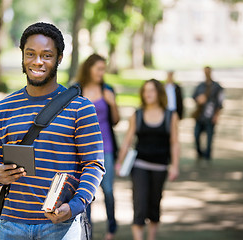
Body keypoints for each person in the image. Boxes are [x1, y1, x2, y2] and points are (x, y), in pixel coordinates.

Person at [0, 22, 105, 240]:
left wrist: (76, 205)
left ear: (59, 58)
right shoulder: (2, 109)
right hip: (11, 225)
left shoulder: (81, 108)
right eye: (30, 54)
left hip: (61, 226)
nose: (37, 61)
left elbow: (94, 164)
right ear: (22, 56)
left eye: (46, 55)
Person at [115, 79, 180, 240]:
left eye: (151, 90)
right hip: (139, 165)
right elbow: (128, 140)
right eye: (145, 91)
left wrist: (175, 165)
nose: (148, 94)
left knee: (154, 205)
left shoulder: (170, 115)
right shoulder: (137, 114)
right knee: (140, 205)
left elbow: (175, 142)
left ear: (159, 93)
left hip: (160, 167)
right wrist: (119, 162)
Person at [75, 53, 120, 240]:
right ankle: (88, 231)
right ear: (89, 68)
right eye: (99, 69)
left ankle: (111, 228)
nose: (102, 73)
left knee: (108, 190)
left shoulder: (107, 89)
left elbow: (116, 121)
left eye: (104, 69)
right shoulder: (76, 90)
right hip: (82, 150)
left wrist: (112, 103)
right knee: (87, 192)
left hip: (106, 147)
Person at [192, 66, 224, 162]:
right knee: (196, 135)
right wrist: (199, 99)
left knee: (209, 137)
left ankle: (208, 156)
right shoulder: (200, 86)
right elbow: (194, 97)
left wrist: (216, 115)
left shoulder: (217, 87)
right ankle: (199, 153)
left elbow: (220, 102)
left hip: (210, 116)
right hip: (200, 116)